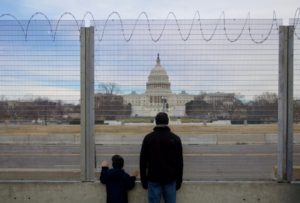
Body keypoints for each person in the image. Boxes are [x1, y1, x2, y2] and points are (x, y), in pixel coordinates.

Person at [140, 112, 183, 203]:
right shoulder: (175, 138)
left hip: (153, 178)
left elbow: (143, 161)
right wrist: (179, 181)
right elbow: (179, 162)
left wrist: (144, 180)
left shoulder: (148, 138)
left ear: (156, 121)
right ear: (167, 121)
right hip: (170, 178)